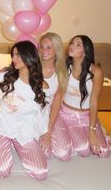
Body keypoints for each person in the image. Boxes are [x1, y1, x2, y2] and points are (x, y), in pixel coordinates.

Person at [0, 41, 49, 180]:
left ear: (29, 56)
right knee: (2, 171)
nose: (13, 59)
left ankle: (16, 145)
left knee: (41, 173)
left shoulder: (41, 86)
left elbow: (43, 114)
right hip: (0, 126)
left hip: (23, 130)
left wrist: (44, 133)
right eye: (13, 55)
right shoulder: (5, 76)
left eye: (17, 55)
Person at [59, 35, 111, 158]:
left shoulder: (96, 71)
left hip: (86, 116)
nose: (72, 46)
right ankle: (72, 137)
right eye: (72, 43)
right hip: (66, 115)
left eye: (78, 45)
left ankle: (101, 133)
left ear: (85, 51)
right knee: (83, 150)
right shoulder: (65, 67)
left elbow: (94, 102)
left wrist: (92, 130)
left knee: (103, 151)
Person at [38, 32, 71, 161]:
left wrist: (49, 130)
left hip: (52, 113)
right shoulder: (32, 67)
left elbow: (57, 101)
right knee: (44, 152)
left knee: (63, 153)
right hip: (32, 113)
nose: (44, 51)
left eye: (49, 47)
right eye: (41, 46)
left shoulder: (62, 71)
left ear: (57, 49)